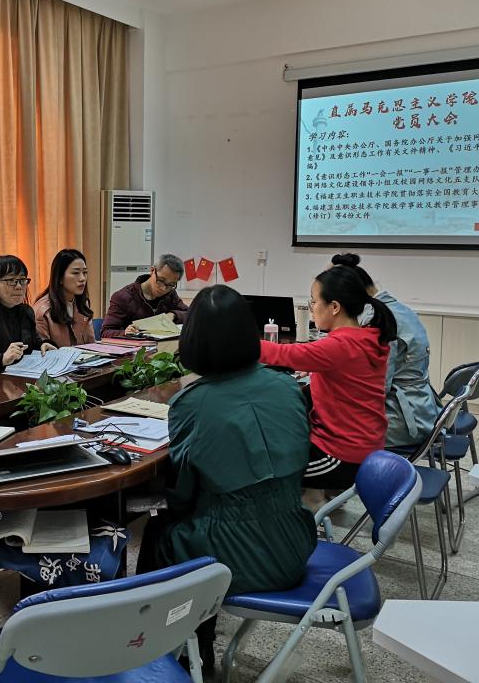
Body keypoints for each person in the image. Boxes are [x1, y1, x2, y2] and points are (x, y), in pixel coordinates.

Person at [137, 284, 316, 669]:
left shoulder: (191, 403)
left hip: (232, 557)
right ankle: (192, 649)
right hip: (296, 541)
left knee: (160, 531)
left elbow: (183, 494)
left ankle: (166, 655)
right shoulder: (287, 386)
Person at [259, 265, 396, 499]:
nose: (312, 308)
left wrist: (239, 340)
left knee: (264, 470)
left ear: (334, 307)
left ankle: (301, 515)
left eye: (314, 302)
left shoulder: (340, 345)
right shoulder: (365, 336)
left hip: (342, 456)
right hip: (363, 445)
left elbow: (284, 354)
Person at [331, 253, 440, 448]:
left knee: (323, 429)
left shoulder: (379, 319)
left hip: (402, 420)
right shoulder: (398, 309)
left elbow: (377, 387)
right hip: (421, 409)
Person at [101, 253, 189, 338]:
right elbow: (105, 332)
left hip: (163, 346)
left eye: (171, 284)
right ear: (152, 271)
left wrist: (173, 315)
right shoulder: (124, 297)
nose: (163, 288)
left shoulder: (170, 294)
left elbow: (189, 314)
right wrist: (125, 333)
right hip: (135, 346)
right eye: (161, 280)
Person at [32, 248, 96, 347]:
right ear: (60, 278)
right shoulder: (42, 311)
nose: (82, 278)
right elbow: (42, 350)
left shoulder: (82, 304)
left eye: (85, 272)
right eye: (75, 273)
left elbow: (91, 345)